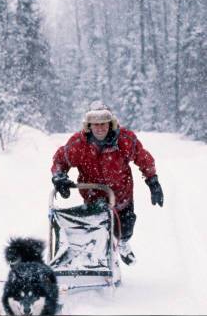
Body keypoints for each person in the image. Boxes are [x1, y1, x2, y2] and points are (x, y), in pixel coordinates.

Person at [51, 101, 164, 265]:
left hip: (121, 194)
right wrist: (59, 176)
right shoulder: (78, 143)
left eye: (103, 123)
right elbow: (60, 160)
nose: (99, 128)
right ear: (89, 125)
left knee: (125, 228)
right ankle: (100, 257)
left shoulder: (125, 139)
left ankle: (123, 244)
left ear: (110, 123)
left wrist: (153, 181)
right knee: (97, 229)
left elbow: (143, 158)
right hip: (94, 195)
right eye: (95, 124)